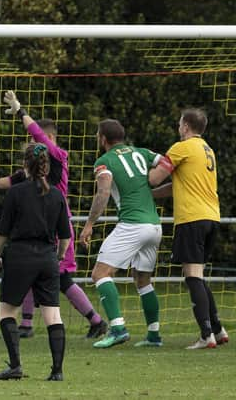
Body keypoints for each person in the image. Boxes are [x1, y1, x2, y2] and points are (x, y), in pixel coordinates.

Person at [0, 91, 106, 340]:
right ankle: (27, 324)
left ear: (49, 139)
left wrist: (20, 110)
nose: (33, 142)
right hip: (43, 229)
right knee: (34, 272)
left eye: (37, 139)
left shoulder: (58, 158)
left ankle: (96, 320)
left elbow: (37, 135)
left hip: (56, 228)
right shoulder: (37, 168)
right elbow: (13, 179)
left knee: (61, 279)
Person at [148, 108, 229, 349]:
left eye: (179, 123)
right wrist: (149, 196)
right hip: (211, 217)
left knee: (192, 275)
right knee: (198, 275)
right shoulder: (207, 150)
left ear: (185, 126)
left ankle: (206, 335)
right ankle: (217, 329)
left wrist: (139, 174)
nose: (178, 127)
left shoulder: (181, 147)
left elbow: (155, 177)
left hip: (191, 218)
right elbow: (175, 185)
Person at [79, 119, 163, 349]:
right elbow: (167, 162)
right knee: (143, 279)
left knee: (100, 273)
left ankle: (117, 329)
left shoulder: (104, 161)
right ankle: (154, 335)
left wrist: (89, 224)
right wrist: (157, 183)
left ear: (103, 138)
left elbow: (104, 191)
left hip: (132, 225)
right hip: (154, 226)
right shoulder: (142, 152)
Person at [0, 143, 69, 381]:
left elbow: (2, 232)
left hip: (20, 256)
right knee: (53, 315)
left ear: (25, 165)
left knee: (6, 311)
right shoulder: (56, 194)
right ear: (46, 166)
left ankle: (15, 366)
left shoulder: (16, 192)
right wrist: (57, 257)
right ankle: (57, 371)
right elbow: (65, 235)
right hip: (47, 257)